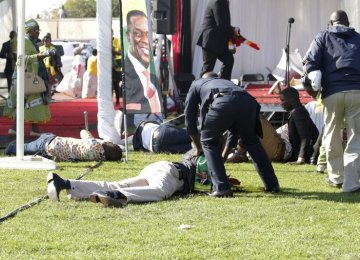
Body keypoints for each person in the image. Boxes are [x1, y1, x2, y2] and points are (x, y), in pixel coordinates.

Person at [184, 72, 280, 197]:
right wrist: (223, 158)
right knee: (252, 143)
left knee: (208, 142)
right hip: (248, 102)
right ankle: (272, 185)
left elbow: (189, 118)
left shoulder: (196, 84)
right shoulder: (228, 83)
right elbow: (233, 131)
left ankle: (221, 187)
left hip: (222, 101)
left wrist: (198, 148)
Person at [303, 10, 360, 192]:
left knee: (332, 134)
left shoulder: (323, 36)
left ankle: (336, 177)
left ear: (331, 22)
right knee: (355, 138)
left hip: (333, 92)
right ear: (348, 22)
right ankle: (351, 183)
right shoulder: (358, 38)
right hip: (357, 91)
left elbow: (310, 63)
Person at [46, 155, 241, 207]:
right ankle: (116, 197)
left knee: (117, 182)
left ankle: (64, 183)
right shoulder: (206, 158)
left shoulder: (200, 156)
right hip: (172, 173)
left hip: (159, 167)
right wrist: (226, 182)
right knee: (158, 192)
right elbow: (217, 184)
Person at [2, 19, 51, 136]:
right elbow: (21, 59)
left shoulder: (31, 41)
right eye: (36, 30)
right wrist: (39, 56)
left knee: (28, 103)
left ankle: (18, 128)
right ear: (29, 30)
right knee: (30, 103)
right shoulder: (24, 41)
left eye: (39, 29)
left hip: (30, 77)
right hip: (25, 78)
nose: (38, 32)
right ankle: (31, 129)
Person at [124, 10, 163, 126]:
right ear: (128, 36)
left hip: (157, 119)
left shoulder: (151, 64)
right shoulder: (128, 68)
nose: (145, 40)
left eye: (147, 34)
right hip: (139, 120)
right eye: (138, 34)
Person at [4, 129, 122, 162]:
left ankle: (11, 147)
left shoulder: (95, 144)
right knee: (28, 148)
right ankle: (14, 148)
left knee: (24, 148)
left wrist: (99, 140)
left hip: (51, 142)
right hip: (50, 149)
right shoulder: (99, 157)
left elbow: (83, 132)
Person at [196, 0, 240, 80]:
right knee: (207, 69)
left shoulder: (221, 1)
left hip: (218, 41)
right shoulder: (218, 1)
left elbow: (223, 24)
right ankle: (199, 91)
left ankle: (224, 85)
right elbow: (221, 24)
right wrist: (233, 32)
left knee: (229, 60)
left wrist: (233, 31)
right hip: (210, 40)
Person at [279, 87, 319, 164]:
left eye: (283, 100)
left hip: (306, 156)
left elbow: (305, 137)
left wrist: (301, 159)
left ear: (292, 99)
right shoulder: (299, 110)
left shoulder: (298, 112)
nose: (281, 103)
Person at [112, 29, 122, 106]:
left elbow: (120, 52)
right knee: (108, 85)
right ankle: (109, 101)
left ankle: (118, 100)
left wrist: (112, 50)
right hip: (107, 66)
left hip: (116, 66)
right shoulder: (103, 42)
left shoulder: (117, 40)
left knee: (116, 84)